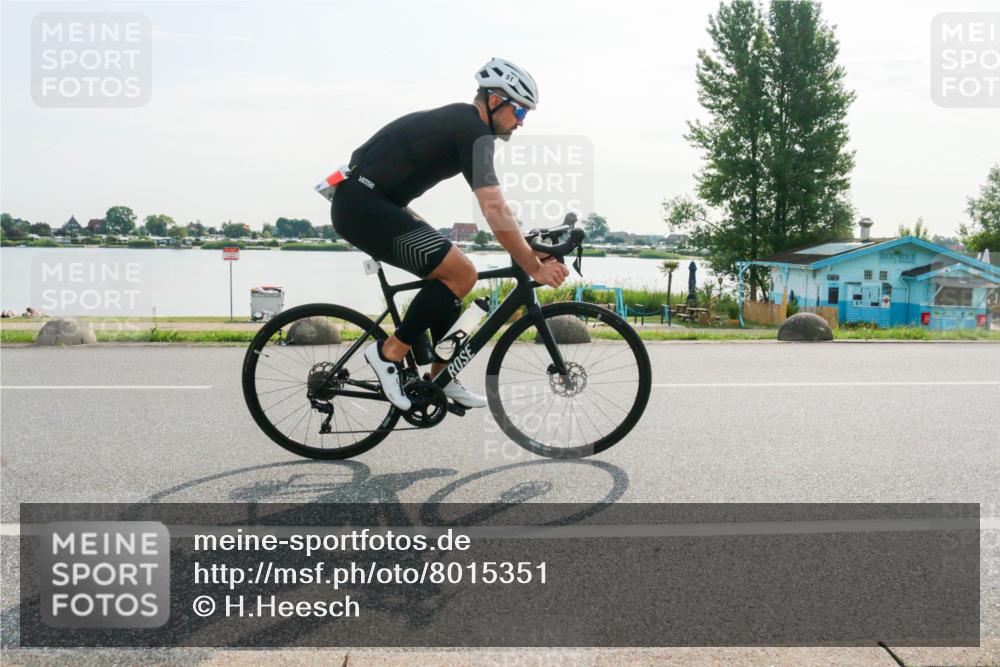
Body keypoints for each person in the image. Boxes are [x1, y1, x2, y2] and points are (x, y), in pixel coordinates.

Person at [330, 58, 569, 412]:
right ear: (494, 101)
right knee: (462, 271)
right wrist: (533, 267)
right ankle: (388, 354)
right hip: (363, 206)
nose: (521, 122)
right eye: (519, 111)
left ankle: (440, 375)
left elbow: (499, 206)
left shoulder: (465, 124)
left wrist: (531, 245)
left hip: (373, 202)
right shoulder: (472, 131)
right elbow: (493, 208)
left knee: (454, 273)